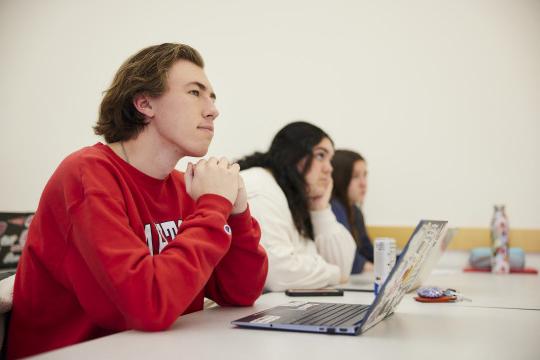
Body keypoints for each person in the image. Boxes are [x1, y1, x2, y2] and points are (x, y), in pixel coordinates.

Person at [7, 43, 268, 359]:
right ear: (145, 102)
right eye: (195, 93)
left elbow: (240, 293)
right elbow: (150, 306)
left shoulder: (185, 187)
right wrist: (212, 206)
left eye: (212, 97)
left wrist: (236, 211)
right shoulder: (87, 174)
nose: (213, 109)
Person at [238, 122, 356, 291]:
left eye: (330, 160)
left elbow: (343, 267)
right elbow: (278, 274)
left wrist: (320, 208)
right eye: (321, 156)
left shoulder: (293, 196)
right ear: (293, 155)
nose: (329, 169)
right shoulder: (260, 186)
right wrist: (332, 273)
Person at [330, 150, 374, 274]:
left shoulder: (355, 211)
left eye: (365, 175)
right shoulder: (332, 208)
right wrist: (366, 265)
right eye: (355, 176)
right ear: (339, 178)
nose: (363, 183)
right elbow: (349, 260)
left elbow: (368, 252)